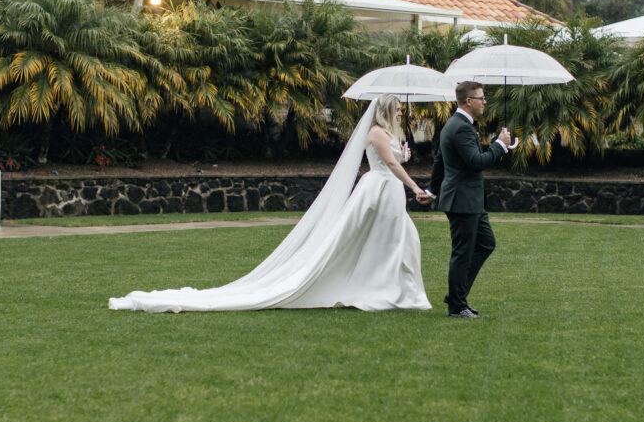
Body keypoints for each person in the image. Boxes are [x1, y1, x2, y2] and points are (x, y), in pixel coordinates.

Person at [109, 94, 431, 312]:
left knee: (400, 239)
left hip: (388, 191)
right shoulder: (376, 132)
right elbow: (388, 164)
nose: (402, 114)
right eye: (399, 110)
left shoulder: (387, 134)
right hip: (379, 188)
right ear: (387, 110)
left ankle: (396, 289)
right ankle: (386, 291)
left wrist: (402, 154)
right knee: (386, 240)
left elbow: (394, 160)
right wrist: (415, 184)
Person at [420, 81, 511, 319]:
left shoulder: (456, 124)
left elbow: (440, 160)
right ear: (469, 101)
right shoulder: (461, 127)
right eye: (482, 98)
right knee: (462, 253)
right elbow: (476, 162)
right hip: (463, 200)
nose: (485, 102)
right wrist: (500, 145)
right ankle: (457, 307)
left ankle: (456, 294)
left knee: (486, 243)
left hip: (468, 201)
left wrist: (431, 189)